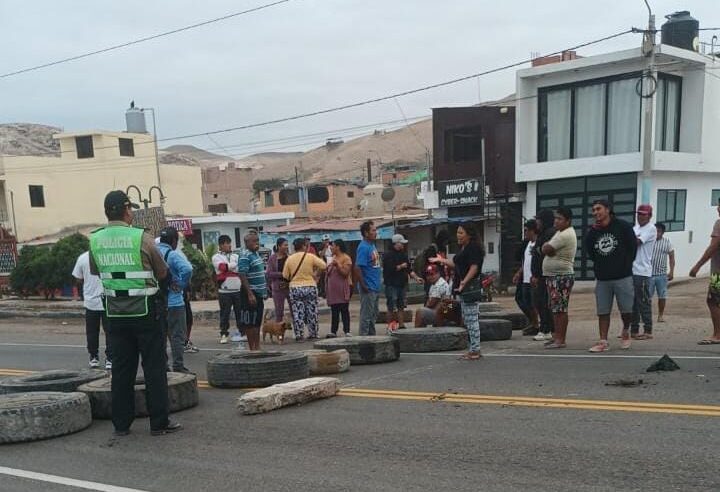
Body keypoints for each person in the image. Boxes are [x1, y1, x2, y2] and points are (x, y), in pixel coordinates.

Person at [89, 190, 180, 436]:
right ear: (127, 209)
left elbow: (96, 271)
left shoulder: (95, 239)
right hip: (146, 313)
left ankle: (121, 425)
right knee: (154, 367)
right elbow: (162, 272)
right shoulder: (141, 237)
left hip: (115, 315)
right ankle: (159, 423)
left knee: (121, 370)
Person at [585, 199, 637, 352]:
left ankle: (626, 331)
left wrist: (625, 264)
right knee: (603, 311)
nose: (595, 213)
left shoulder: (623, 226)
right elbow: (592, 253)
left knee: (626, 309)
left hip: (623, 275)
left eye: (598, 209)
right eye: (593, 210)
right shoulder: (593, 232)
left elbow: (632, 248)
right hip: (603, 278)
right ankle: (603, 341)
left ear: (607, 209)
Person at [431, 222, 485, 360]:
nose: (458, 235)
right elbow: (455, 264)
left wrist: (464, 281)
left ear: (469, 234)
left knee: (471, 319)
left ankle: (475, 350)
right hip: (456, 295)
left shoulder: (473, 248)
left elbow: (474, 267)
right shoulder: (464, 248)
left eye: (461, 232)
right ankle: (472, 348)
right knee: (463, 317)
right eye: (457, 232)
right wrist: (441, 260)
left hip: (466, 289)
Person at [156, 227, 193, 373]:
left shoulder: (153, 251)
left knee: (161, 336)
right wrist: (182, 284)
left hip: (158, 301)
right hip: (175, 302)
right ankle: (178, 365)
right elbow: (188, 269)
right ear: (173, 241)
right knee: (177, 336)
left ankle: (163, 366)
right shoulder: (172, 255)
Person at [541, 207, 577, 349]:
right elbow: (547, 248)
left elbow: (546, 249)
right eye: (556, 218)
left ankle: (560, 340)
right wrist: (547, 248)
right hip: (554, 276)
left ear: (568, 221)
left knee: (560, 309)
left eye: (560, 219)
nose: (556, 221)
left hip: (561, 276)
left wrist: (547, 248)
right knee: (555, 308)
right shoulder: (559, 232)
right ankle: (557, 336)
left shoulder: (565, 234)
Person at [72, 250, 113, 370]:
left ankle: (93, 356)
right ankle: (110, 358)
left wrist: (87, 283)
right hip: (107, 300)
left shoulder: (83, 257)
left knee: (92, 331)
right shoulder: (107, 256)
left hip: (91, 301)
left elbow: (77, 278)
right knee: (110, 331)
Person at [284, 238, 327, 341]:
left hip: (295, 288)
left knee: (298, 312)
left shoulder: (290, 259)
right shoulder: (310, 257)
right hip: (310, 286)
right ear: (303, 246)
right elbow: (324, 265)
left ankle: (299, 335)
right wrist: (315, 274)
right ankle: (313, 333)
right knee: (311, 311)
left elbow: (285, 275)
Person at [689, 198, 720, 344]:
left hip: (718, 273)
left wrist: (698, 265)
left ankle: (717, 334)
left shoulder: (719, 224)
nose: (718, 208)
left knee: (712, 301)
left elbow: (713, 247)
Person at [382, 233, 423, 331]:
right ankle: (390, 326)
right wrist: (400, 266)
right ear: (396, 243)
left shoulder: (404, 255)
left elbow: (409, 269)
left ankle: (401, 324)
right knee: (391, 306)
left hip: (402, 284)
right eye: (401, 243)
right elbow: (388, 270)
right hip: (391, 284)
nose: (403, 245)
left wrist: (417, 278)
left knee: (401, 306)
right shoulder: (388, 255)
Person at [236, 233, 267, 351]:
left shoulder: (256, 254)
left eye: (257, 240)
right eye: (254, 241)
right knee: (250, 321)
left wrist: (264, 291)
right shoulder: (245, 255)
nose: (257, 243)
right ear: (247, 242)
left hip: (259, 293)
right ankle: (252, 348)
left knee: (257, 321)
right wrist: (249, 294)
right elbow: (242, 274)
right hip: (250, 293)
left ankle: (257, 346)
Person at [631, 204, 656, 340]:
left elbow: (637, 242)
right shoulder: (635, 228)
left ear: (649, 216)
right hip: (632, 270)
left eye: (643, 214)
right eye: (639, 213)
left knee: (644, 301)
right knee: (632, 302)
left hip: (642, 271)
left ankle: (648, 330)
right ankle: (633, 329)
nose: (640, 216)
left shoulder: (650, 228)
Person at [212, 235, 243, 345]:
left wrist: (229, 267)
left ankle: (241, 332)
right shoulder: (216, 257)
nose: (229, 245)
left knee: (240, 312)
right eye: (226, 243)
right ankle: (224, 334)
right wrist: (232, 267)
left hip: (237, 289)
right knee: (225, 313)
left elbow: (239, 268)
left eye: (230, 243)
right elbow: (221, 268)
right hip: (224, 291)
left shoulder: (235, 255)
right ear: (221, 245)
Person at [531, 209, 556, 342]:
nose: (537, 223)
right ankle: (548, 327)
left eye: (538, 220)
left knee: (544, 302)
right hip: (539, 274)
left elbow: (544, 255)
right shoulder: (542, 234)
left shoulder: (550, 233)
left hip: (545, 274)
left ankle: (546, 329)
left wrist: (537, 273)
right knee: (539, 302)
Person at [513, 219, 539, 336]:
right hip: (525, 278)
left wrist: (536, 275)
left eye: (526, 231)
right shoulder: (527, 244)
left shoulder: (538, 243)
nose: (525, 233)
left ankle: (537, 325)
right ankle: (533, 322)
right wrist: (519, 273)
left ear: (533, 231)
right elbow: (525, 261)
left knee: (534, 304)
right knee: (522, 300)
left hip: (533, 279)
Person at [356, 221, 382, 336]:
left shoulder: (372, 245)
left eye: (375, 230)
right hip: (368, 287)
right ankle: (363, 340)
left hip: (375, 286)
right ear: (366, 233)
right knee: (366, 317)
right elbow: (357, 267)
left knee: (373, 315)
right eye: (373, 230)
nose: (375, 233)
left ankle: (372, 338)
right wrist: (363, 284)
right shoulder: (363, 247)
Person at [325, 239, 353, 337]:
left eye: (332, 246)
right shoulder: (332, 258)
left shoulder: (346, 258)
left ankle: (347, 330)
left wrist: (338, 265)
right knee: (334, 310)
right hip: (333, 290)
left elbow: (345, 273)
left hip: (343, 288)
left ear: (338, 247)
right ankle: (333, 331)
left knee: (344, 309)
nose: (331, 248)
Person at [650, 222, 675, 324]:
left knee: (662, 296)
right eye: (655, 231)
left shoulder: (667, 243)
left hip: (661, 275)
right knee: (647, 297)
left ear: (663, 232)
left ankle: (660, 315)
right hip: (649, 274)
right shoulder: (649, 242)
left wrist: (671, 271)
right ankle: (645, 315)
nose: (656, 233)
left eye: (658, 231)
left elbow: (672, 258)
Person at [266, 237, 292, 323]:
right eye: (285, 245)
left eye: (287, 245)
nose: (287, 247)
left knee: (294, 310)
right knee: (279, 312)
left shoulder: (290, 257)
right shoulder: (272, 258)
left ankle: (297, 332)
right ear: (279, 246)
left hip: (290, 287)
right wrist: (282, 274)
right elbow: (269, 273)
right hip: (278, 288)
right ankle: (279, 334)